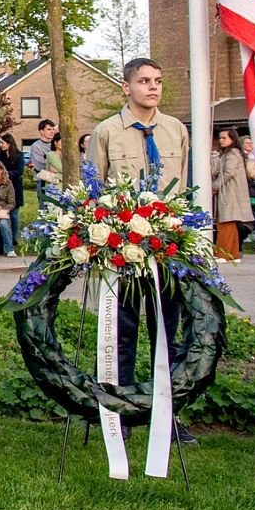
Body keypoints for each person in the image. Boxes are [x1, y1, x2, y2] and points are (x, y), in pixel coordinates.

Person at [88, 57, 195, 443]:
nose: (153, 88)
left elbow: (182, 187)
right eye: (144, 81)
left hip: (165, 248)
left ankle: (165, 411)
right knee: (122, 330)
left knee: (167, 331)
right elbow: (94, 192)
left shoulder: (175, 130)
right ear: (126, 86)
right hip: (123, 248)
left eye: (158, 81)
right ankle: (122, 409)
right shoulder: (107, 132)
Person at [212, 128, 253, 260]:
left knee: (225, 223)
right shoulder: (227, 153)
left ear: (232, 139)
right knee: (230, 224)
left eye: (224, 138)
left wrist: (215, 186)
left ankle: (223, 253)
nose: (221, 140)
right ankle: (233, 254)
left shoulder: (233, 153)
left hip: (230, 193)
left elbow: (229, 172)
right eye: (220, 138)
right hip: (229, 192)